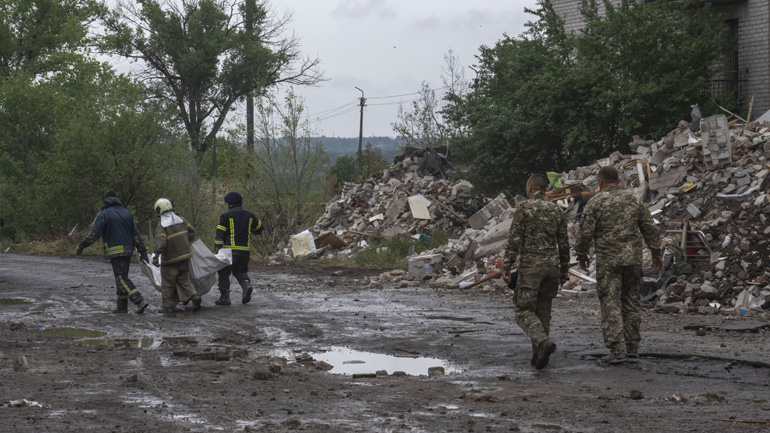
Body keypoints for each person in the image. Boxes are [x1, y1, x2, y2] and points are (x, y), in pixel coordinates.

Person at [575, 166, 663, 364]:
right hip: (633, 261)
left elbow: (585, 234)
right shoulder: (633, 200)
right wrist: (656, 253)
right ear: (619, 180)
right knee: (631, 302)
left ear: (600, 181)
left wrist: (581, 255)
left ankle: (617, 349)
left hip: (609, 261)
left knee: (611, 303)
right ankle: (633, 347)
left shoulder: (595, 203)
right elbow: (650, 228)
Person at [502, 174, 569, 370]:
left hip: (532, 267)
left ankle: (542, 341)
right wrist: (564, 269)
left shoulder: (524, 208)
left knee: (523, 310)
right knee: (543, 309)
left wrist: (506, 266)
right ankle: (538, 355)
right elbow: (564, 245)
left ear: (530, 187)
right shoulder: (557, 210)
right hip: (552, 267)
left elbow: (514, 240)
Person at [76, 190, 150, 314]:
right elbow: (136, 234)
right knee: (121, 277)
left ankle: (139, 300)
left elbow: (95, 234)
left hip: (115, 251)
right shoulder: (127, 213)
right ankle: (121, 307)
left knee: (121, 278)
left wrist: (82, 245)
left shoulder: (104, 214)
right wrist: (142, 251)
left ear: (105, 200)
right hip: (127, 251)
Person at [152, 198, 201, 313]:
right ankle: (194, 296)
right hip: (185, 256)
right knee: (184, 279)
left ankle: (168, 306)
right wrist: (186, 242)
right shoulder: (182, 220)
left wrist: (156, 255)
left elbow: (161, 242)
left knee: (168, 283)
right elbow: (192, 232)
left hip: (170, 259)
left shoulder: (161, 225)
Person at [214, 192, 263, 305]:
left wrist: (217, 248)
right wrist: (254, 230)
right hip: (245, 251)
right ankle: (246, 285)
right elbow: (260, 227)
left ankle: (224, 298)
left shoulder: (225, 215)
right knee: (240, 271)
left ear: (230, 203)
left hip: (229, 251)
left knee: (224, 272)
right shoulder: (249, 214)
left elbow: (220, 233)